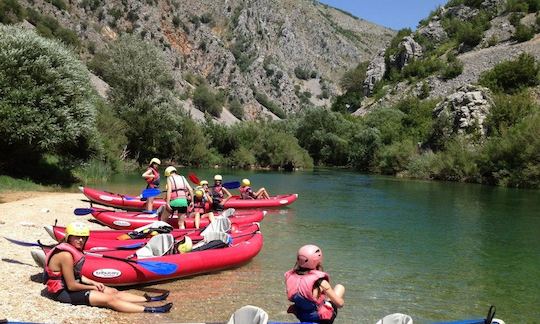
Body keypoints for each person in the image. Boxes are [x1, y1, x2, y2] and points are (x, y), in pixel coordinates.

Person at [44, 222, 172, 313]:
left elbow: (76, 274)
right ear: (68, 237)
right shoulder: (65, 255)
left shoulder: (70, 251)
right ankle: (152, 310)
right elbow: (71, 285)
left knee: (113, 291)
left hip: (70, 287)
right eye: (77, 237)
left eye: (83, 237)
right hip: (62, 293)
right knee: (110, 299)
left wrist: (94, 282)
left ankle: (148, 299)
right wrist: (92, 287)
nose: (80, 240)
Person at [284, 245, 345, 324]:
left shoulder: (290, 276)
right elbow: (340, 304)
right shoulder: (320, 282)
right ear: (318, 261)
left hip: (301, 315)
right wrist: (340, 301)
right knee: (340, 287)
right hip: (321, 318)